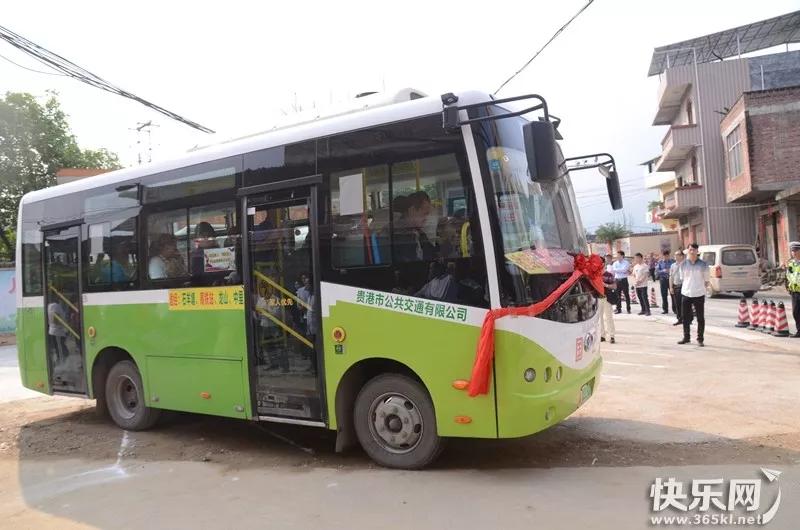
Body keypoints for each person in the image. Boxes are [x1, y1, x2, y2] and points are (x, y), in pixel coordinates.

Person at [678, 243, 710, 346]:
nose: (692, 252)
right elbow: (682, 278)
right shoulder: (683, 264)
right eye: (690, 250)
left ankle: (700, 339)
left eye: (693, 250)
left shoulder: (703, 264)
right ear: (688, 251)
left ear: (697, 251)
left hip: (699, 293)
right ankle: (686, 337)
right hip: (686, 293)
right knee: (685, 317)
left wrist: (701, 288)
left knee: (700, 318)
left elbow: (706, 280)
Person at [393, 191, 435, 262]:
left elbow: (432, 253)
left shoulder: (418, 232)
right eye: (425, 214)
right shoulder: (397, 234)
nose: (426, 218)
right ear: (412, 210)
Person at [599, 266, 617, 343]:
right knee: (600, 318)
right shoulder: (595, 275)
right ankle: (602, 335)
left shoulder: (608, 275)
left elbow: (614, 286)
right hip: (598, 298)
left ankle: (612, 336)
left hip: (607, 298)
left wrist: (605, 285)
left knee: (609, 317)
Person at [787, 241, 800, 338]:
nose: (794, 252)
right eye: (792, 251)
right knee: (796, 312)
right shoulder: (791, 263)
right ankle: (799, 331)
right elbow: (787, 276)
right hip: (795, 292)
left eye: (796, 250)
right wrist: (788, 288)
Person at [669, 249, 685, 326]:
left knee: (685, 304)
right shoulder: (673, 265)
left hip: (684, 286)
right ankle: (679, 319)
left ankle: (688, 319)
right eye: (675, 255)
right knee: (677, 304)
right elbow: (671, 277)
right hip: (676, 286)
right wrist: (671, 287)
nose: (675, 256)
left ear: (682, 256)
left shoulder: (686, 264)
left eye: (677, 255)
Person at [655, 250, 674, 314]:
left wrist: (670, 271)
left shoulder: (672, 262)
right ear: (663, 256)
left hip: (671, 280)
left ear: (669, 255)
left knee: (673, 295)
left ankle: (675, 309)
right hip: (663, 280)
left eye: (667, 256)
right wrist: (663, 270)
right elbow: (657, 271)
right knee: (664, 295)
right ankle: (665, 309)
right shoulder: (660, 262)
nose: (666, 257)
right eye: (665, 256)